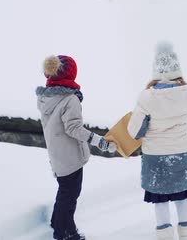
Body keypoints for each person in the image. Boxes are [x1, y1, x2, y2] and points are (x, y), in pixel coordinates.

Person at [36, 55, 117, 240]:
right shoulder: (69, 99)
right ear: (71, 74)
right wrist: (100, 142)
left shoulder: (46, 98)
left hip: (57, 153)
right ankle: (65, 232)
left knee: (64, 191)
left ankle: (57, 223)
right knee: (70, 195)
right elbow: (73, 128)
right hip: (70, 156)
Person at [128, 42, 187, 240]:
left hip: (156, 158)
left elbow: (135, 132)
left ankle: (165, 236)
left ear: (156, 71)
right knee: (182, 196)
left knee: (161, 201)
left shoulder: (147, 98)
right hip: (180, 154)